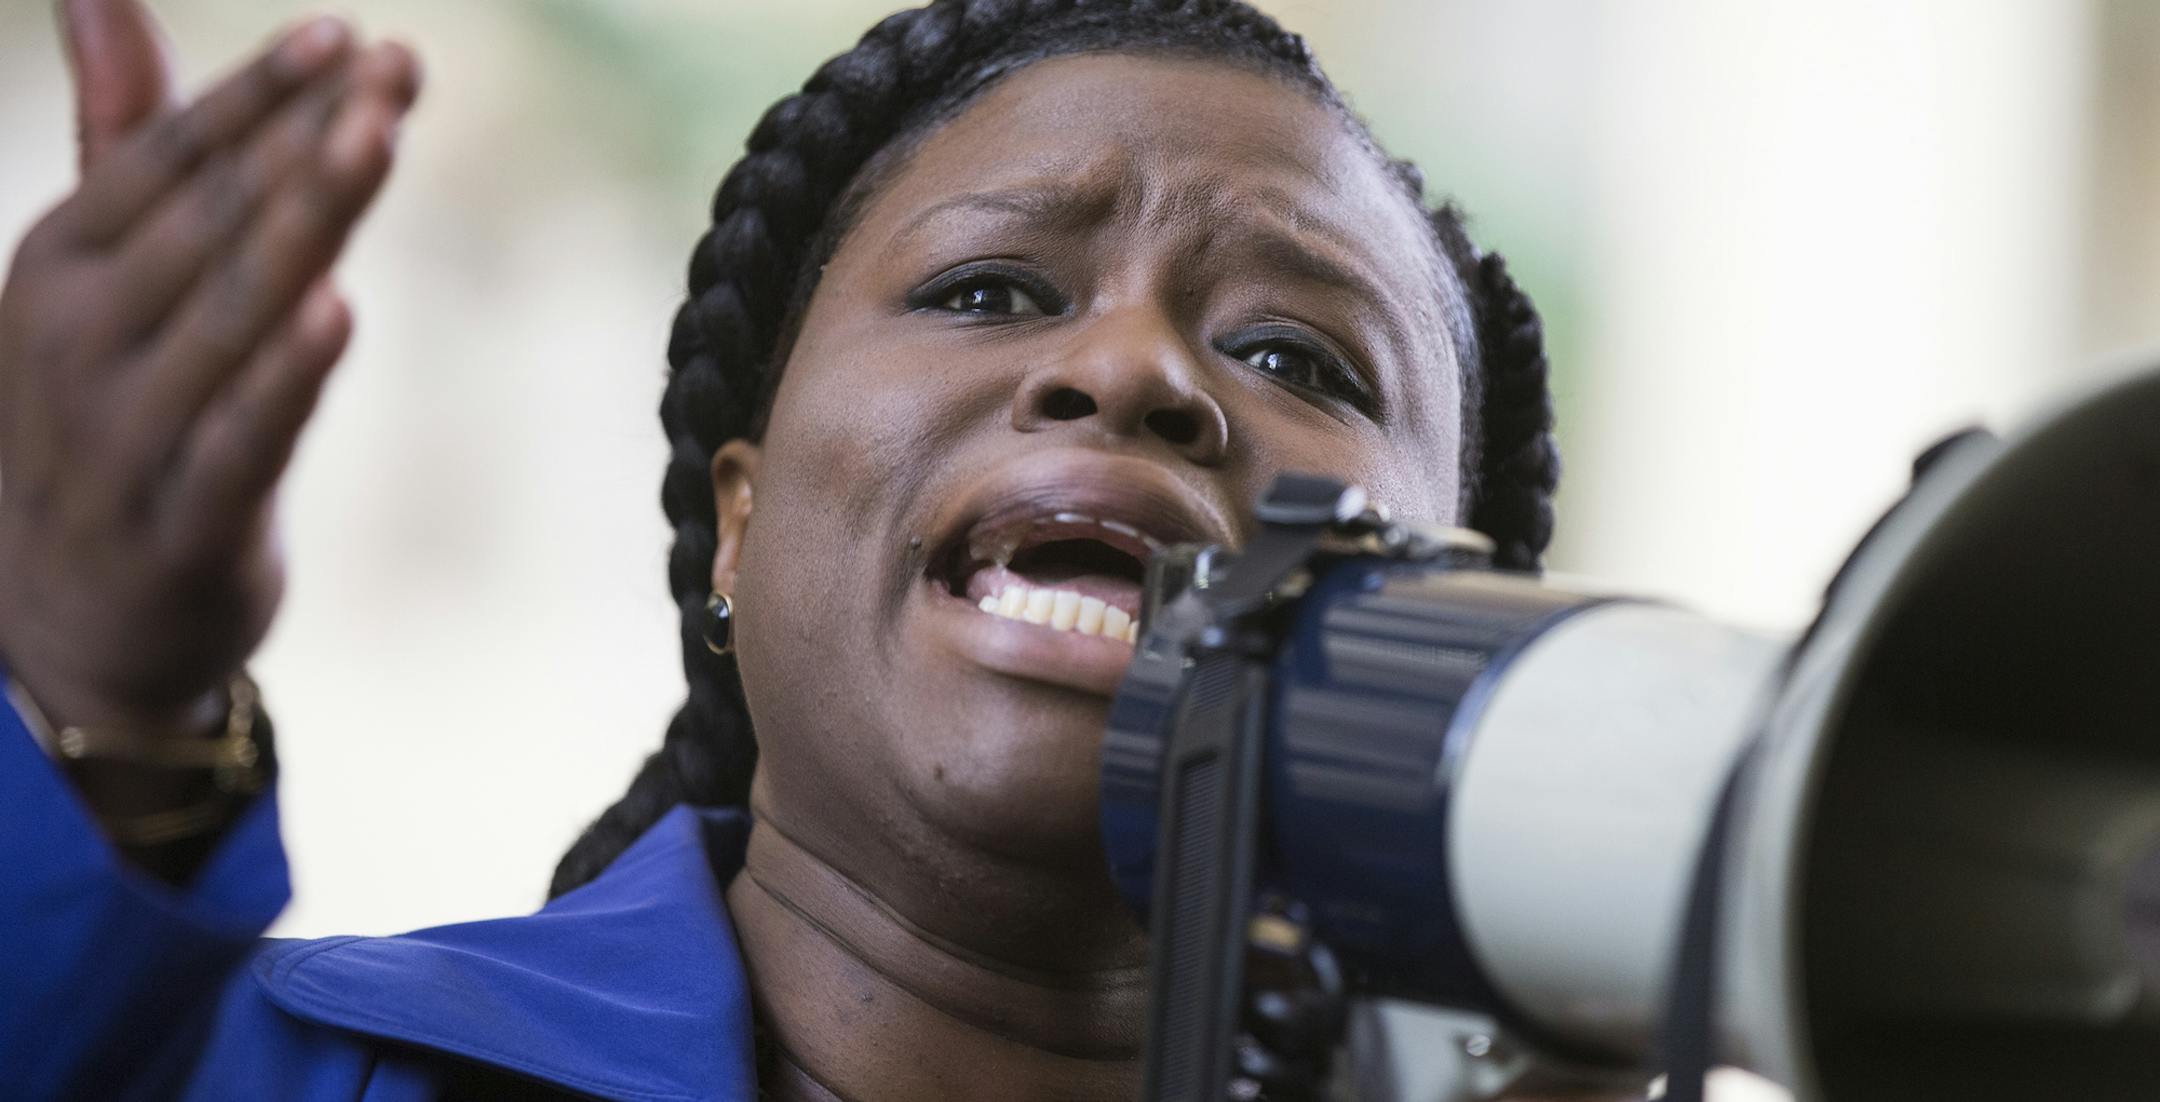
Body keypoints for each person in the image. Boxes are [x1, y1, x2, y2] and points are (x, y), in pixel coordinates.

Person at [0, 0, 1561, 1098]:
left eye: (1296, 358)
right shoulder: (262, 1068)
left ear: (1455, 617)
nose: (1133, 367)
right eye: (990, 290)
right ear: (736, 523)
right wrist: (99, 688)